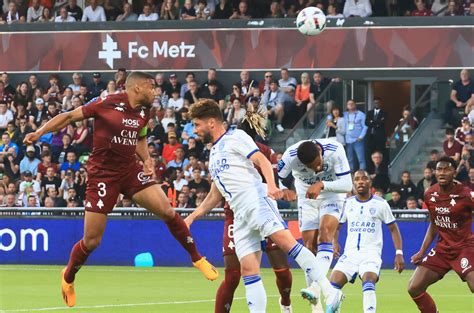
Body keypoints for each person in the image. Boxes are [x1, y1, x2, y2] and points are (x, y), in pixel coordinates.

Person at [24, 71, 218, 308]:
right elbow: (68, 116)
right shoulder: (107, 102)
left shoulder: (145, 112)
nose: (155, 92)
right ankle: (68, 277)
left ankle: (197, 258)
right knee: (92, 241)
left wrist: (146, 160)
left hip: (129, 170)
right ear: (137, 88)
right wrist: (40, 132)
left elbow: (140, 138)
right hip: (102, 176)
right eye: (151, 88)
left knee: (167, 210)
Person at [186, 99, 344, 313]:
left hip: (255, 200)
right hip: (240, 213)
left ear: (211, 122)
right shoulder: (214, 152)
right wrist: (193, 216)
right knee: (249, 271)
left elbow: (260, 159)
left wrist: (270, 186)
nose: (194, 130)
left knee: (290, 246)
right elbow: (216, 193)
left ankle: (330, 292)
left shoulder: (235, 136)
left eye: (197, 124)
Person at [186, 112, 294, 312]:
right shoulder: (220, 150)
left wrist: (275, 188)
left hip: (262, 209)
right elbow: (216, 191)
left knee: (280, 269)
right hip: (235, 215)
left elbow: (272, 182)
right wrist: (192, 216)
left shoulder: (263, 153)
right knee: (238, 274)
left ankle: (286, 303)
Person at [277, 136, 352, 311]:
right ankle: (316, 308)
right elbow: (275, 176)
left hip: (332, 192)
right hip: (306, 196)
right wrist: (284, 189)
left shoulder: (335, 149)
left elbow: (347, 184)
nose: (317, 169)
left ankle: (316, 289)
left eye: (318, 163)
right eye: (311, 167)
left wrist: (322, 184)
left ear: (320, 151)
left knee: (325, 234)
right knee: (309, 247)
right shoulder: (290, 156)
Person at [331, 170, 404, 313]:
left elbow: (393, 229)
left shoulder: (381, 204)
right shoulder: (348, 203)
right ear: (353, 184)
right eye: (357, 179)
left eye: (364, 178)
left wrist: (399, 253)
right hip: (350, 254)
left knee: (368, 281)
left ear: (370, 183)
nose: (360, 181)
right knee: (333, 284)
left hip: (371, 254)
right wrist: (334, 242)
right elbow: (336, 227)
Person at [408, 157, 474, 312]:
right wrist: (421, 252)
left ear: (455, 172)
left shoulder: (467, 195)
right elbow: (434, 224)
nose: (442, 173)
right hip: (442, 249)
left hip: (464, 248)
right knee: (414, 287)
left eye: (447, 169)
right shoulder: (430, 194)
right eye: (439, 169)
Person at [344, 99, 368, 171]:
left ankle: (362, 174)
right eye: (349, 104)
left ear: (355, 105)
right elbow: (333, 115)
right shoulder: (344, 114)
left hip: (358, 140)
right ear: (347, 106)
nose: (350, 105)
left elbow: (365, 126)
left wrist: (361, 136)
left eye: (352, 104)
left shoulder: (361, 114)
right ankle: (350, 176)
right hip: (348, 140)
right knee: (349, 159)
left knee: (361, 159)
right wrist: (329, 118)